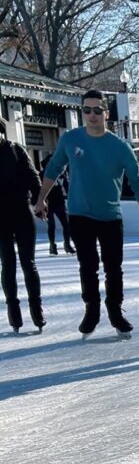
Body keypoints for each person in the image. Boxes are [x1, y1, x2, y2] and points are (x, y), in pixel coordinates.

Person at [36, 90, 139, 338]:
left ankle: (115, 310)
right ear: (82, 113)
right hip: (80, 214)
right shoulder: (70, 139)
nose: (92, 115)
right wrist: (41, 198)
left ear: (106, 114)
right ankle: (92, 310)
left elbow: (138, 182)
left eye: (97, 110)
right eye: (87, 110)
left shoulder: (120, 147)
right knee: (87, 266)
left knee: (113, 268)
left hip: (110, 216)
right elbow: (54, 168)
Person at [0, 119, 45, 333]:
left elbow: (32, 176)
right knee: (8, 263)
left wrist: (39, 199)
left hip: (21, 211)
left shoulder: (16, 150)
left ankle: (36, 310)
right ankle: (14, 313)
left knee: (28, 262)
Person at [40, 151, 75, 256]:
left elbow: (67, 186)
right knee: (52, 225)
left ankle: (67, 244)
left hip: (59, 201)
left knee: (66, 224)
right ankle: (52, 246)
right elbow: (38, 188)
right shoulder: (42, 174)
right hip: (48, 202)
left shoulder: (60, 173)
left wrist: (70, 196)